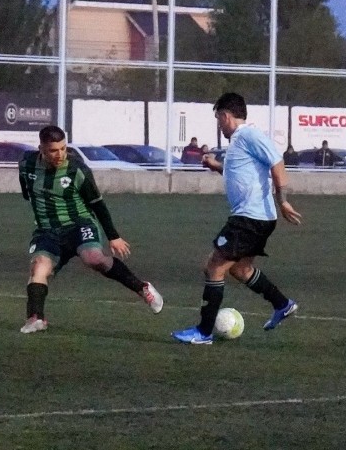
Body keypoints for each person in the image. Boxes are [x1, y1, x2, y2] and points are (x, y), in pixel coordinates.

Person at [172, 92, 303, 345]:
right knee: (240, 269)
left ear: (225, 115)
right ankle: (282, 304)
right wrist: (216, 166)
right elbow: (243, 172)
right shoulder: (239, 143)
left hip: (249, 218)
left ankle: (204, 331)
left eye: (219, 119)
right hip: (253, 217)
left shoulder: (249, 135)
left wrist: (283, 200)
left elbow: (277, 162)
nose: (219, 125)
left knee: (214, 267)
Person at [17, 125, 164, 334]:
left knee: (93, 258)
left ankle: (142, 288)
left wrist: (114, 237)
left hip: (79, 225)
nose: (60, 155)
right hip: (47, 231)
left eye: (63, 148)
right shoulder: (26, 164)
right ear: (41, 148)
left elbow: (97, 204)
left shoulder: (77, 169)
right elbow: (26, 192)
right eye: (53, 150)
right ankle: (36, 318)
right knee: (39, 268)